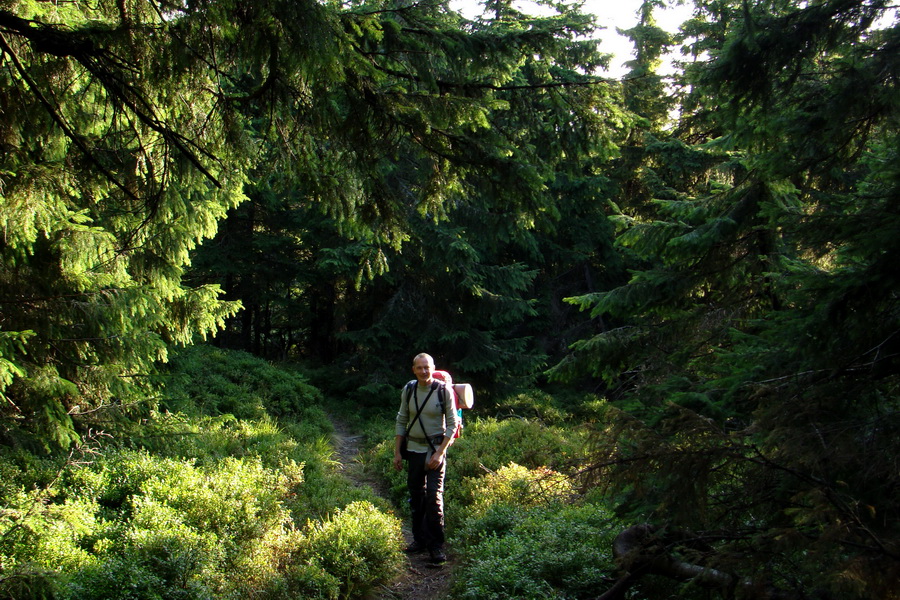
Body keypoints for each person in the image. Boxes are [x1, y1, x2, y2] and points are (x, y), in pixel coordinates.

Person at [394, 352, 459, 564]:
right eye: (419, 368)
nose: (423, 371)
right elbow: (402, 419)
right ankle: (419, 540)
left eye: (427, 367)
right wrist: (397, 452)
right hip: (412, 450)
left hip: (434, 452)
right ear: (414, 369)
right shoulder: (409, 389)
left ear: (433, 368)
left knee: (433, 497)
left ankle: (436, 546)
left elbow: (452, 424)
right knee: (416, 497)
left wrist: (439, 453)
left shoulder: (443, 391)